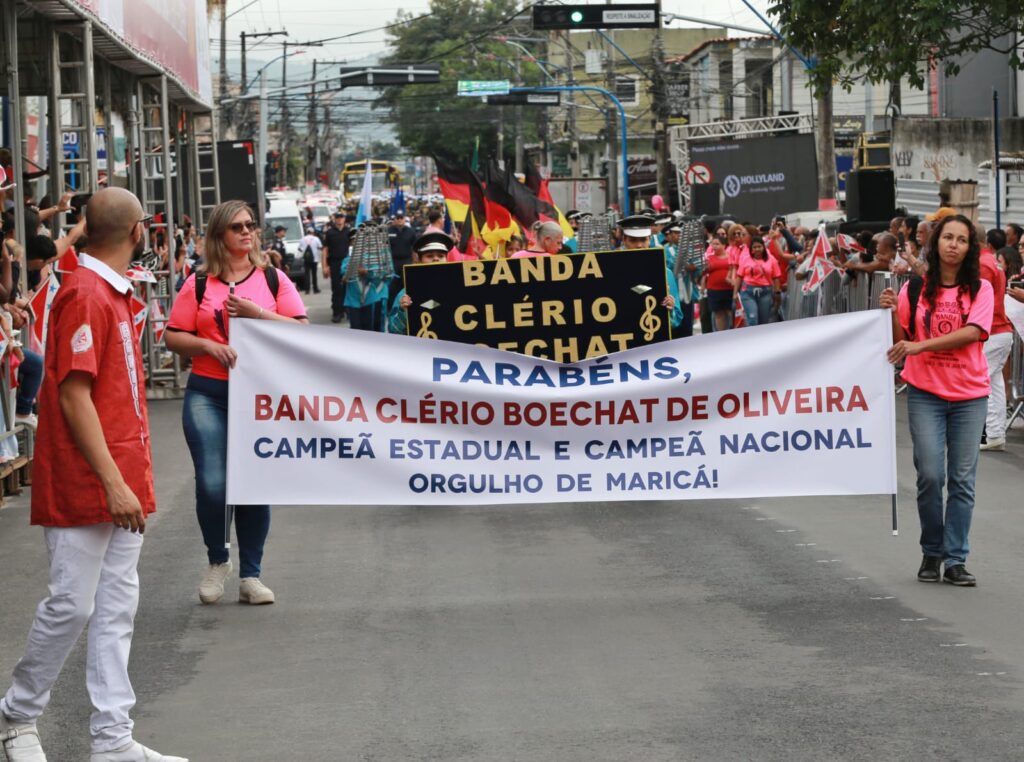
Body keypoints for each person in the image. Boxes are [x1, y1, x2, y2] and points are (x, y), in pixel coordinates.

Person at [0, 187, 188, 762]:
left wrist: (124, 479)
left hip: (119, 473)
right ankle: (16, 717)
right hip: (91, 478)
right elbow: (75, 396)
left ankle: (112, 739)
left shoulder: (106, 291)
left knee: (114, 607)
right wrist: (112, 481)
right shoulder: (86, 294)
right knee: (73, 604)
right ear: (138, 234)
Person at [165, 200, 308, 607]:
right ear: (219, 236)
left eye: (251, 226)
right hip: (207, 393)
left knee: (253, 483)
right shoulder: (197, 284)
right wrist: (208, 344)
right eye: (237, 227)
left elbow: (302, 330)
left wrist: (257, 313)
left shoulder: (274, 279)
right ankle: (217, 560)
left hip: (259, 398)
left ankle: (252, 576)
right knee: (212, 482)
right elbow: (173, 336)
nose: (248, 232)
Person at [879, 214, 994, 587]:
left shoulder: (981, 288)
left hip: (969, 396)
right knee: (929, 476)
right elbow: (903, 339)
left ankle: (956, 559)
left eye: (962, 239)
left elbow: (973, 332)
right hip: (926, 393)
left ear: (969, 248)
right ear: (937, 242)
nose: (954, 245)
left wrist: (920, 345)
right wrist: (891, 313)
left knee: (961, 480)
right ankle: (932, 550)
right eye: (948, 237)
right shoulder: (915, 288)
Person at [978, 231, 1013, 451]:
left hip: (991, 330)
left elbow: (977, 298)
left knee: (983, 380)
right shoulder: (992, 261)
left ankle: (993, 432)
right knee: (994, 382)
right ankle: (995, 433)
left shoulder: (982, 264)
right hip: (1000, 330)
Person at [618, 215, 680, 328]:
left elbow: (676, 320)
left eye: (643, 239)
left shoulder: (665, 273)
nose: (639, 245)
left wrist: (671, 310)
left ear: (650, 239)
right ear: (624, 240)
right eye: (633, 240)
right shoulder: (613, 272)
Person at [389, 231, 453, 334]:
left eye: (441, 256)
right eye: (429, 256)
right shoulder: (405, 293)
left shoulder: (456, 288)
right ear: (419, 260)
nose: (436, 259)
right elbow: (393, 330)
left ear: (447, 259)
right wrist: (403, 311)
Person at [736, 236, 781, 327]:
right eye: (754, 247)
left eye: (759, 247)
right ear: (751, 249)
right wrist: (734, 293)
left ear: (763, 247)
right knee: (752, 319)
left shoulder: (771, 259)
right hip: (748, 292)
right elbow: (739, 276)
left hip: (765, 292)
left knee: (763, 321)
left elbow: (776, 277)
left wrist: (777, 292)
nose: (757, 249)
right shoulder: (746, 259)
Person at [703, 234, 737, 332]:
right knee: (718, 313)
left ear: (723, 245)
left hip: (729, 289)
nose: (714, 246)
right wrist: (705, 268)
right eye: (713, 244)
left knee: (730, 312)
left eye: (717, 244)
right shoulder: (708, 257)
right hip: (714, 290)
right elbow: (704, 273)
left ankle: (734, 332)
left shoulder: (731, 256)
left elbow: (734, 269)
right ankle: (721, 334)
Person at [323, 212, 351, 323]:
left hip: (347, 262)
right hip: (334, 263)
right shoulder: (330, 232)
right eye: (337, 218)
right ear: (335, 219)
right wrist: (325, 266)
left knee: (348, 287)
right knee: (336, 288)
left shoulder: (349, 232)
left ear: (344, 219)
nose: (339, 220)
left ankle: (347, 310)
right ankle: (337, 312)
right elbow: (325, 250)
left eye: (341, 217)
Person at [298, 227, 322, 295]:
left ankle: (307, 290)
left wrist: (304, 252)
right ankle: (315, 289)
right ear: (313, 232)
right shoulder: (316, 238)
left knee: (307, 274)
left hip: (306, 259)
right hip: (315, 259)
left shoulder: (302, 239)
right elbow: (320, 247)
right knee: (314, 274)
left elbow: (299, 249)